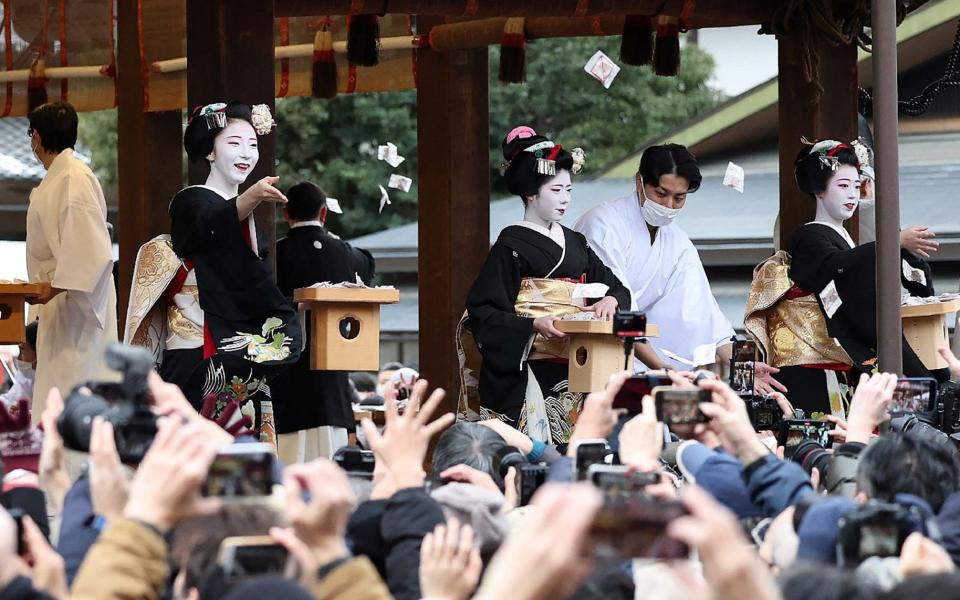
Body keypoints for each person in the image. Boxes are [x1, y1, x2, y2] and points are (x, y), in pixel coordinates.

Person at [127, 101, 301, 444]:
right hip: (197, 346)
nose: (246, 153)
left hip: (237, 351)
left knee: (242, 457)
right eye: (233, 143)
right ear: (209, 151)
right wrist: (248, 198)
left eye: (252, 144)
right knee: (195, 452)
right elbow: (208, 226)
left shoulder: (238, 211)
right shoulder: (191, 202)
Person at [461, 126, 630, 444]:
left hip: (577, 365)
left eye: (569, 190)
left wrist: (612, 301)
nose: (565, 199)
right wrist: (534, 323)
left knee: (578, 451)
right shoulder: (510, 244)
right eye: (556, 190)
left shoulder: (577, 243)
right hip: (529, 366)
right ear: (530, 192)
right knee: (529, 456)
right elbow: (484, 311)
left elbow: (616, 286)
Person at [786, 139, 937, 393]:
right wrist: (893, 242)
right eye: (843, 186)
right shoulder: (808, 237)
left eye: (857, 186)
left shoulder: (842, 236)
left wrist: (903, 252)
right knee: (915, 390)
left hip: (853, 341)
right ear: (819, 190)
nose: (852, 195)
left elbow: (854, 266)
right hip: (826, 350)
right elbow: (837, 269)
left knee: (927, 381)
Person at [574, 143, 734, 374]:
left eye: (679, 198)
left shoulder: (677, 239)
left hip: (650, 359)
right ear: (639, 181)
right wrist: (663, 370)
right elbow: (618, 304)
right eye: (661, 194)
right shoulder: (603, 224)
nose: (669, 205)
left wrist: (740, 365)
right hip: (600, 354)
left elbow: (703, 309)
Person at [24, 101, 117, 416]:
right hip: (59, 301)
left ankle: (79, 464)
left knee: (73, 392)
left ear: (36, 137)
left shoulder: (73, 177)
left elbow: (89, 250)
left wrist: (54, 287)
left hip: (75, 303)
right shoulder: (62, 177)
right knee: (57, 393)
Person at [272, 181, 375, 463]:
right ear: (324, 213)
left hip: (287, 375)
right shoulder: (349, 255)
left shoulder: (275, 255)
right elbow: (368, 266)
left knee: (290, 467)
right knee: (333, 464)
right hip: (332, 384)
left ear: (286, 213)